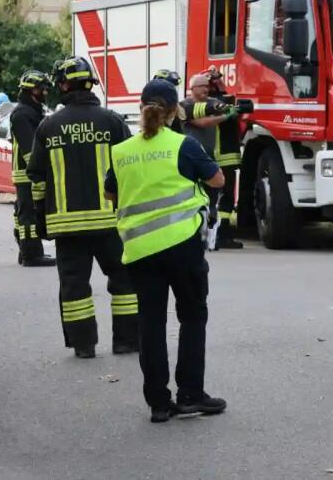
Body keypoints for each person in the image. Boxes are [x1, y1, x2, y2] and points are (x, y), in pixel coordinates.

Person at [106, 78, 227, 423]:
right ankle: (190, 393)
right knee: (191, 316)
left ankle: (159, 403)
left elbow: (110, 194)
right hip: (182, 246)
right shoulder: (182, 145)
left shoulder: (122, 151)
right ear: (174, 111)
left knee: (151, 323)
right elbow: (217, 179)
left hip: (140, 250)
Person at [26, 57, 138, 358]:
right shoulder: (112, 121)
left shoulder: (48, 126)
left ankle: (83, 345)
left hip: (68, 227)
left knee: (74, 287)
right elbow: (129, 168)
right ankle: (127, 340)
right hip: (111, 222)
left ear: (63, 85)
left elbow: (35, 176)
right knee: (124, 280)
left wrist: (41, 220)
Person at [180, 73, 241, 250]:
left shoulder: (212, 101)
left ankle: (210, 236)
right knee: (193, 196)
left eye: (207, 86)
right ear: (192, 89)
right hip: (191, 158)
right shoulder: (186, 105)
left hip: (208, 157)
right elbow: (203, 122)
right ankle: (192, 234)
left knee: (211, 197)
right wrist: (226, 116)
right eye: (202, 86)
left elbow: (222, 104)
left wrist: (224, 95)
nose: (206, 89)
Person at [10, 70, 56, 267]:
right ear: (31, 91)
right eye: (41, 89)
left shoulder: (31, 111)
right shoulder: (22, 114)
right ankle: (31, 254)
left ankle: (26, 250)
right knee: (28, 215)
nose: (44, 92)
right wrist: (40, 173)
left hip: (29, 173)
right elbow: (30, 150)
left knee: (24, 213)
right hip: (26, 174)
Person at [205, 67, 244, 249]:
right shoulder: (216, 104)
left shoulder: (215, 102)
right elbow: (231, 111)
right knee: (225, 197)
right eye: (217, 80)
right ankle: (222, 235)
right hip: (223, 157)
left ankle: (216, 234)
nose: (222, 82)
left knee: (219, 198)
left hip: (219, 157)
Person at [152, 69, 187, 134]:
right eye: (169, 87)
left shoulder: (178, 107)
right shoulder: (153, 107)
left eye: (173, 87)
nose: (172, 90)